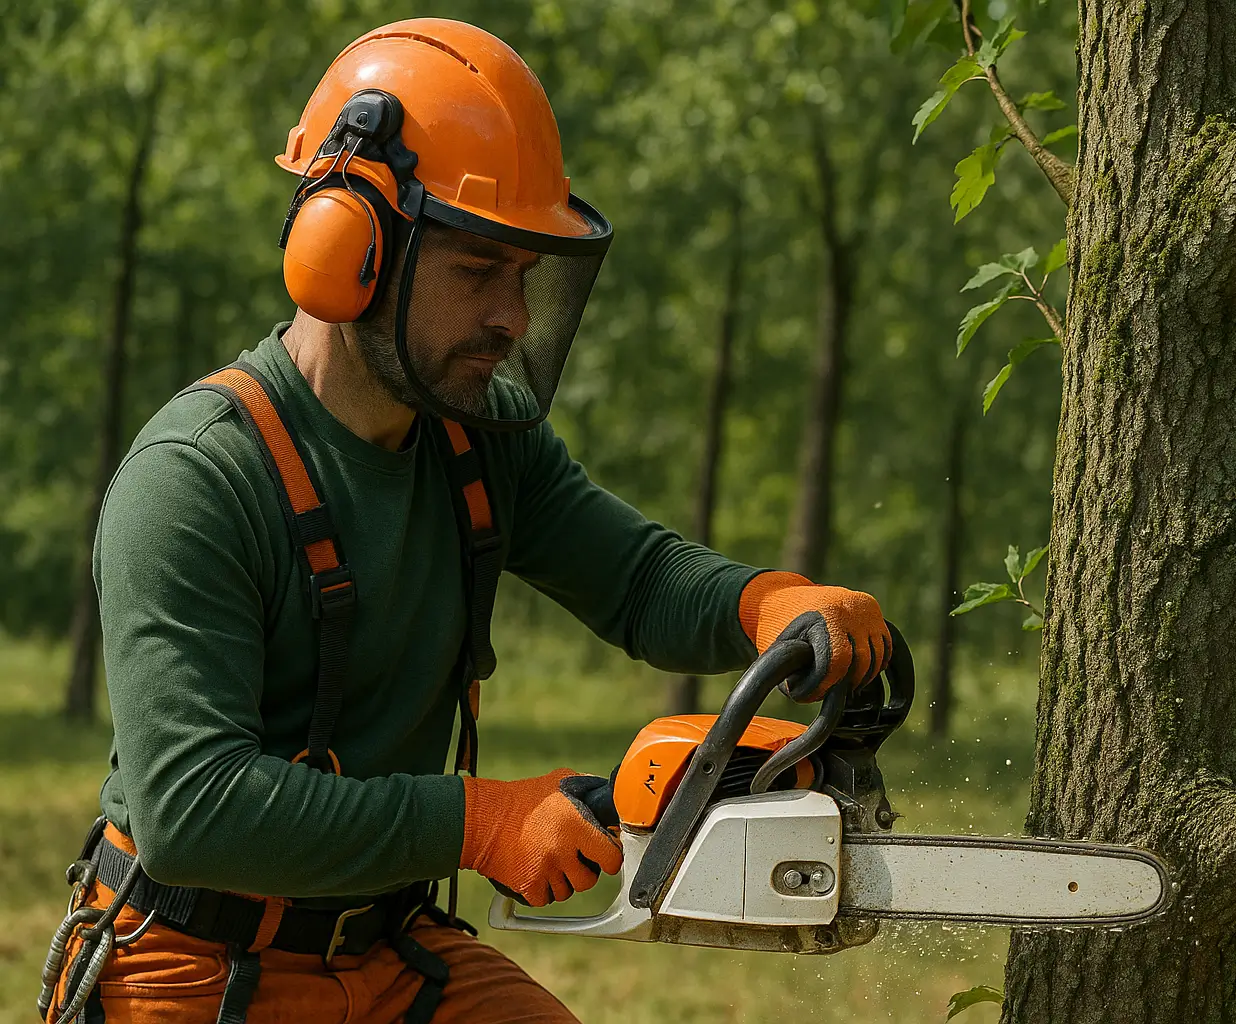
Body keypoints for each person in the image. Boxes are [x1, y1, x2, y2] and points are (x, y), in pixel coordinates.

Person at [42, 18, 891, 1024]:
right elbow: (195, 809)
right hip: (189, 963)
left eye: (525, 278)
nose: (514, 318)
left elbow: (636, 577)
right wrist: (477, 820)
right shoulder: (195, 480)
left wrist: (767, 603)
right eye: (478, 269)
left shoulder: (474, 440)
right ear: (347, 245)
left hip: (388, 945)